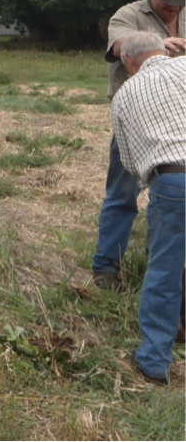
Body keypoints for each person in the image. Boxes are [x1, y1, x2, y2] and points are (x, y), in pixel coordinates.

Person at [92, 0, 186, 290]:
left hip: (180, 119)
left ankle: (160, 268)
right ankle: (106, 268)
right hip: (138, 120)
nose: (173, 6)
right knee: (123, 192)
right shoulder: (128, 14)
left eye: (179, 1)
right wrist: (157, 44)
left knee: (172, 193)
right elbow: (119, 46)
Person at [109, 31, 186, 384]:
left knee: (164, 271)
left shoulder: (123, 96)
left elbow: (128, 159)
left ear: (128, 62)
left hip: (172, 181)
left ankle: (155, 362)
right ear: (164, 50)